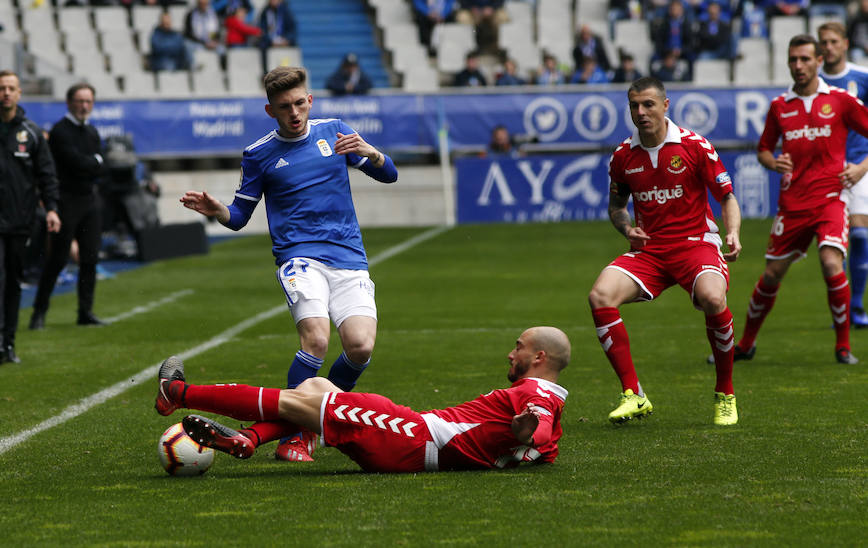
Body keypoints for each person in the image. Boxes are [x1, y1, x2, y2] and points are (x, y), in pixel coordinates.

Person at [179, 66, 398, 461]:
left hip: (349, 256)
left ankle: (303, 424)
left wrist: (372, 153)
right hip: (299, 258)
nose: (295, 113)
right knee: (316, 340)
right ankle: (293, 438)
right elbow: (239, 216)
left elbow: (390, 175)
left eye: (300, 103)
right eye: (285, 107)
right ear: (270, 110)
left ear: (310, 100)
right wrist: (216, 210)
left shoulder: (334, 131)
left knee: (361, 348)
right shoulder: (259, 154)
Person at [154, 326, 570, 472]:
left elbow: (538, 425)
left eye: (518, 347)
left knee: (294, 401)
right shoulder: (550, 401)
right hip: (414, 438)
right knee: (317, 390)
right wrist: (528, 435)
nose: (510, 354)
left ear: (538, 357)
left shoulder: (537, 394)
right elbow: (541, 441)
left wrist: (528, 429)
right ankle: (251, 439)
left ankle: (178, 393)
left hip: (411, 437)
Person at [588, 76, 741, 426]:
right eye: (634, 106)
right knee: (599, 295)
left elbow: (727, 197)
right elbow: (616, 207)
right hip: (651, 252)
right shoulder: (623, 157)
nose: (641, 113)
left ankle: (725, 394)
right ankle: (633, 394)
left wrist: (732, 232)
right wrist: (627, 228)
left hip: (695, 245)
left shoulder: (694, 146)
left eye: (648, 105)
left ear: (665, 105)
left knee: (713, 299)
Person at [732, 34, 868, 366]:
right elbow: (764, 148)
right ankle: (746, 345)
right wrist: (772, 162)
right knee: (771, 275)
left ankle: (842, 347)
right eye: (793, 60)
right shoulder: (780, 106)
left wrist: (861, 168)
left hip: (831, 199)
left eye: (805, 59)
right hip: (792, 205)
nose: (798, 66)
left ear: (819, 60)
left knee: (830, 263)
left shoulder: (840, 100)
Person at [0, 71, 61, 365]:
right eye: (1, 88)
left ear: (19, 93)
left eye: (11, 88)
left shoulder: (32, 133)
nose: (6, 93)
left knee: (12, 279)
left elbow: (47, 175)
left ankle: (8, 342)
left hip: (21, 218)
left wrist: (52, 209)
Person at [29, 82, 108, 331]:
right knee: (58, 259)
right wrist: (93, 162)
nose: (84, 106)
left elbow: (96, 166)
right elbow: (78, 164)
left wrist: (92, 163)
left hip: (89, 200)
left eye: (88, 101)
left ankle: (85, 311)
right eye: (80, 101)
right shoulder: (61, 132)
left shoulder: (92, 132)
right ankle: (39, 312)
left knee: (90, 258)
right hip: (66, 201)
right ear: (69, 103)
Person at [818, 22, 868, 328]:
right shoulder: (812, 81)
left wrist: (864, 166)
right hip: (828, 173)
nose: (829, 47)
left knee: (862, 235)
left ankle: (857, 306)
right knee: (836, 245)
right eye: (824, 42)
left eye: (834, 41)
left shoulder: (862, 77)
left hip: (860, 167)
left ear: (845, 43)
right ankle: (843, 304)